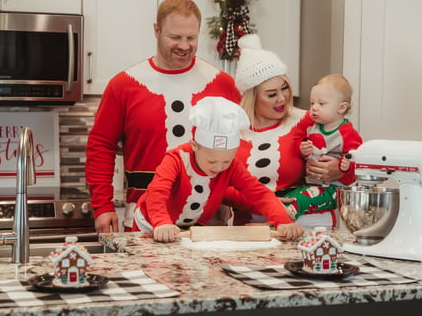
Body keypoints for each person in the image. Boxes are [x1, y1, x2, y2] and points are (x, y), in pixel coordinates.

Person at [85, 0, 241, 233]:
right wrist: (102, 206)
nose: (184, 45)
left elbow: (246, 144)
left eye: (191, 38)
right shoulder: (124, 85)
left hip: (210, 225)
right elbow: (101, 146)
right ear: (156, 30)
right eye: (175, 37)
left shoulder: (222, 84)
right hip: (143, 220)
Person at [132, 96, 304, 242]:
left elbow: (257, 192)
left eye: (226, 161)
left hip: (189, 230)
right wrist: (161, 222)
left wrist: (282, 221)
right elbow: (157, 191)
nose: (219, 168)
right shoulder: (176, 159)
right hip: (150, 224)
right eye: (212, 161)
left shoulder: (232, 166)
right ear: (194, 146)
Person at [226, 34, 343, 228]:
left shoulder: (307, 120)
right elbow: (219, 185)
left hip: (308, 226)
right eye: (271, 94)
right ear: (251, 98)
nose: (281, 98)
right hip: (250, 231)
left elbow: (348, 147)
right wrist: (264, 202)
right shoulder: (232, 131)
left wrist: (339, 169)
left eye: (284, 88)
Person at [283, 74, 362, 220]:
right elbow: (302, 145)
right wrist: (302, 148)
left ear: (341, 107)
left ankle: (280, 221)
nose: (314, 108)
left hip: (333, 189)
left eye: (321, 104)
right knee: (289, 196)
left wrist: (346, 165)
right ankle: (275, 218)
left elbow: (357, 158)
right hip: (312, 185)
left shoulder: (347, 132)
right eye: (312, 103)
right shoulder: (313, 127)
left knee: (298, 202)